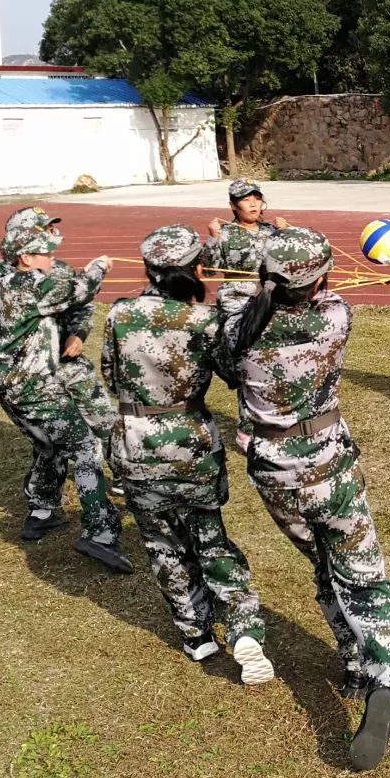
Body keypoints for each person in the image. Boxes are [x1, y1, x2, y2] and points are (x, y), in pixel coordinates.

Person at [217, 226, 390, 771]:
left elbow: (230, 349)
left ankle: (351, 661)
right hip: (329, 467)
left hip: (275, 475)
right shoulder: (335, 317)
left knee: (324, 564)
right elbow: (327, 293)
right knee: (362, 573)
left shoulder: (237, 329)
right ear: (319, 278)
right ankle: (381, 679)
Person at [101, 225, 274, 681]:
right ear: (198, 268)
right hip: (190, 443)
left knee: (163, 544)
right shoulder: (204, 321)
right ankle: (243, 627)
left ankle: (196, 635)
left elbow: (108, 371)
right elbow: (234, 374)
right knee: (210, 537)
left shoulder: (120, 314)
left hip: (134, 441)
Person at [0, 209, 131, 572]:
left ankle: (46, 510)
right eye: (44, 250)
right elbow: (80, 289)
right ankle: (100, 532)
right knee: (85, 446)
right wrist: (98, 267)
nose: (52, 255)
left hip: (10, 383)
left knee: (52, 445)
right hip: (35, 385)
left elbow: (75, 303)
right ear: (24, 256)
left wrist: (77, 334)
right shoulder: (32, 285)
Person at [204, 178, 291, 274]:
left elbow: (290, 263)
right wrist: (213, 238)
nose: (253, 204)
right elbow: (207, 271)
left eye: (258, 199)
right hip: (235, 288)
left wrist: (286, 233)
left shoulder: (272, 231)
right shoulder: (223, 233)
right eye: (246, 200)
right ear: (233, 205)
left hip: (269, 286)